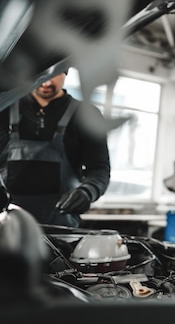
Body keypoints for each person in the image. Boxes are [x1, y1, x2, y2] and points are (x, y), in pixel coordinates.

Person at [0, 70, 110, 227]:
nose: (46, 83)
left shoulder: (86, 115)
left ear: (66, 72)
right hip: (6, 225)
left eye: (55, 74)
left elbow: (99, 169)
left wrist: (87, 191)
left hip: (61, 226)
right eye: (41, 75)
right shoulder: (4, 108)